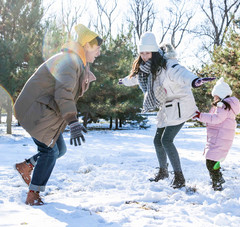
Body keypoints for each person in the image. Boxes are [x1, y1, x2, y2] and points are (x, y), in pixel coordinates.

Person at [14, 24, 102, 205]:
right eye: (97, 48)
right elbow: (64, 93)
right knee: (49, 152)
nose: (99, 53)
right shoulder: (70, 61)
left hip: (43, 110)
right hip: (35, 110)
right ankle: (33, 195)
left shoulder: (77, 62)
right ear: (86, 45)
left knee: (59, 150)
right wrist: (72, 120)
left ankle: (26, 166)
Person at [119, 32, 215, 189]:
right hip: (167, 108)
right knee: (157, 141)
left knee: (166, 140)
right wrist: (123, 81)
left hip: (181, 106)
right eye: (142, 53)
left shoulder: (168, 65)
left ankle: (179, 177)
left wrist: (195, 80)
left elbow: (181, 73)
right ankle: (163, 172)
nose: (144, 56)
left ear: (154, 52)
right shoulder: (147, 69)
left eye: (147, 52)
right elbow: (135, 78)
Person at [193, 78, 240, 191]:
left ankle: (217, 182)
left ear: (222, 95)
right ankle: (218, 178)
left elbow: (216, 119)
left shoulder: (222, 106)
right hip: (221, 137)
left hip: (219, 137)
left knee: (210, 161)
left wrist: (200, 116)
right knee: (214, 160)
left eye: (215, 96)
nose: (214, 98)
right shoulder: (226, 106)